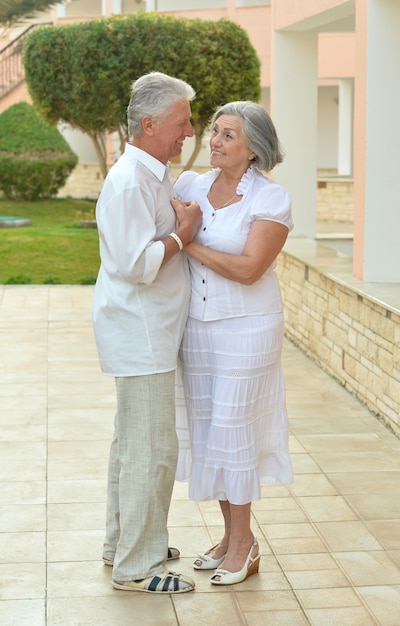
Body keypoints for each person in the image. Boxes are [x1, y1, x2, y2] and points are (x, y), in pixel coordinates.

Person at [172, 101, 293, 586]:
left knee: (233, 431)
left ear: (253, 149)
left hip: (248, 329)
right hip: (198, 329)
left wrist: (188, 243)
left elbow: (249, 270)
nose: (215, 141)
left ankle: (243, 543)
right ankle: (229, 537)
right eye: (214, 132)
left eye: (228, 135)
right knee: (210, 433)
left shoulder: (271, 198)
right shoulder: (190, 185)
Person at [92, 72, 202, 594]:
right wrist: (184, 235)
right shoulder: (130, 181)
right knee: (151, 450)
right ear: (150, 122)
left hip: (148, 332)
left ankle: (127, 543)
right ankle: (137, 567)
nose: (189, 130)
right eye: (181, 122)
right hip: (141, 334)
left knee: (132, 445)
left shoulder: (153, 174)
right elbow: (138, 263)